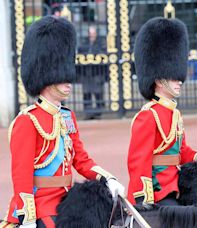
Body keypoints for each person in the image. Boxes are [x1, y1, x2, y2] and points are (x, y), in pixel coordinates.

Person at [0, 16, 125, 228]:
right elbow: (21, 176)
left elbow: (81, 161)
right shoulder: (28, 121)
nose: (69, 81)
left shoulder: (67, 117)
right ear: (47, 76)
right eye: (62, 76)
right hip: (41, 207)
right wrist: (27, 216)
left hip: (67, 203)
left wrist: (107, 178)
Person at [127, 17, 197, 206]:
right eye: (174, 78)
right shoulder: (148, 116)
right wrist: (143, 199)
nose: (180, 81)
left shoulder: (175, 113)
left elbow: (181, 151)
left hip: (177, 185)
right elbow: (139, 162)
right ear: (159, 80)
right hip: (159, 191)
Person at [78, 25, 107, 119]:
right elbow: (80, 54)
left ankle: (98, 112)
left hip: (97, 72)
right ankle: (88, 112)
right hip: (86, 73)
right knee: (86, 93)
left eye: (93, 33)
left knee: (98, 92)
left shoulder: (100, 43)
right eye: (90, 33)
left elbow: (103, 54)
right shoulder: (84, 43)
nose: (92, 35)